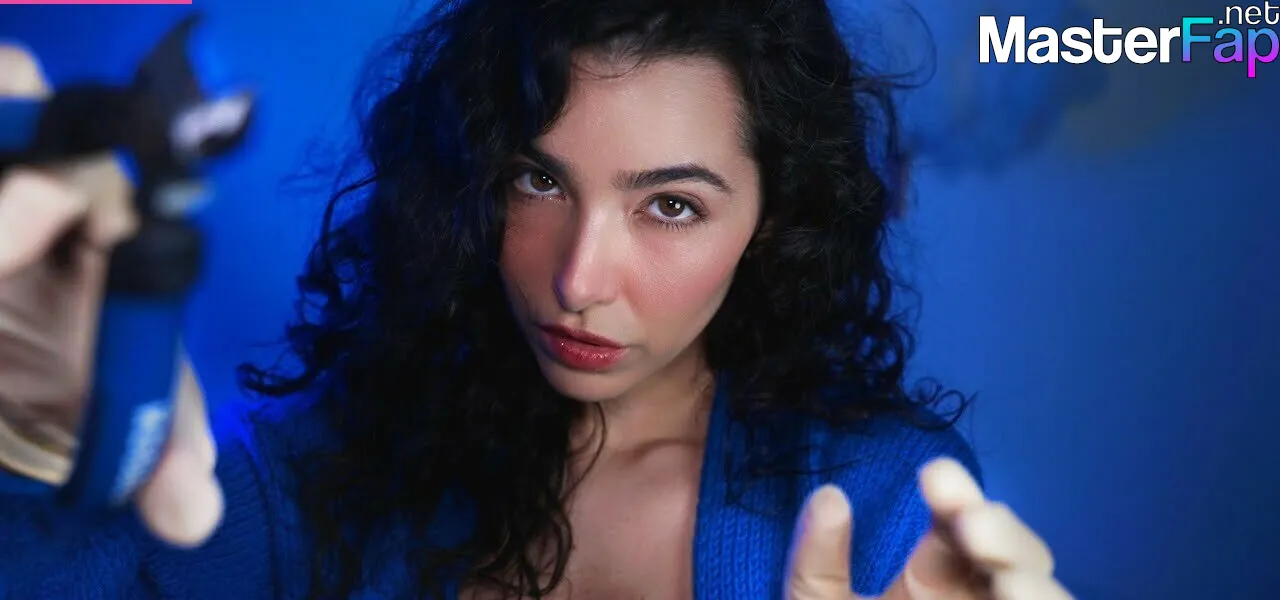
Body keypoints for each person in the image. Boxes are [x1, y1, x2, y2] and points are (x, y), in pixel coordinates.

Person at [0, 1, 1073, 599]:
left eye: (670, 207)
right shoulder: (324, 470)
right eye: (538, 181)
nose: (577, 281)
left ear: (772, 219)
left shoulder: (882, 501)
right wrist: (38, 441)